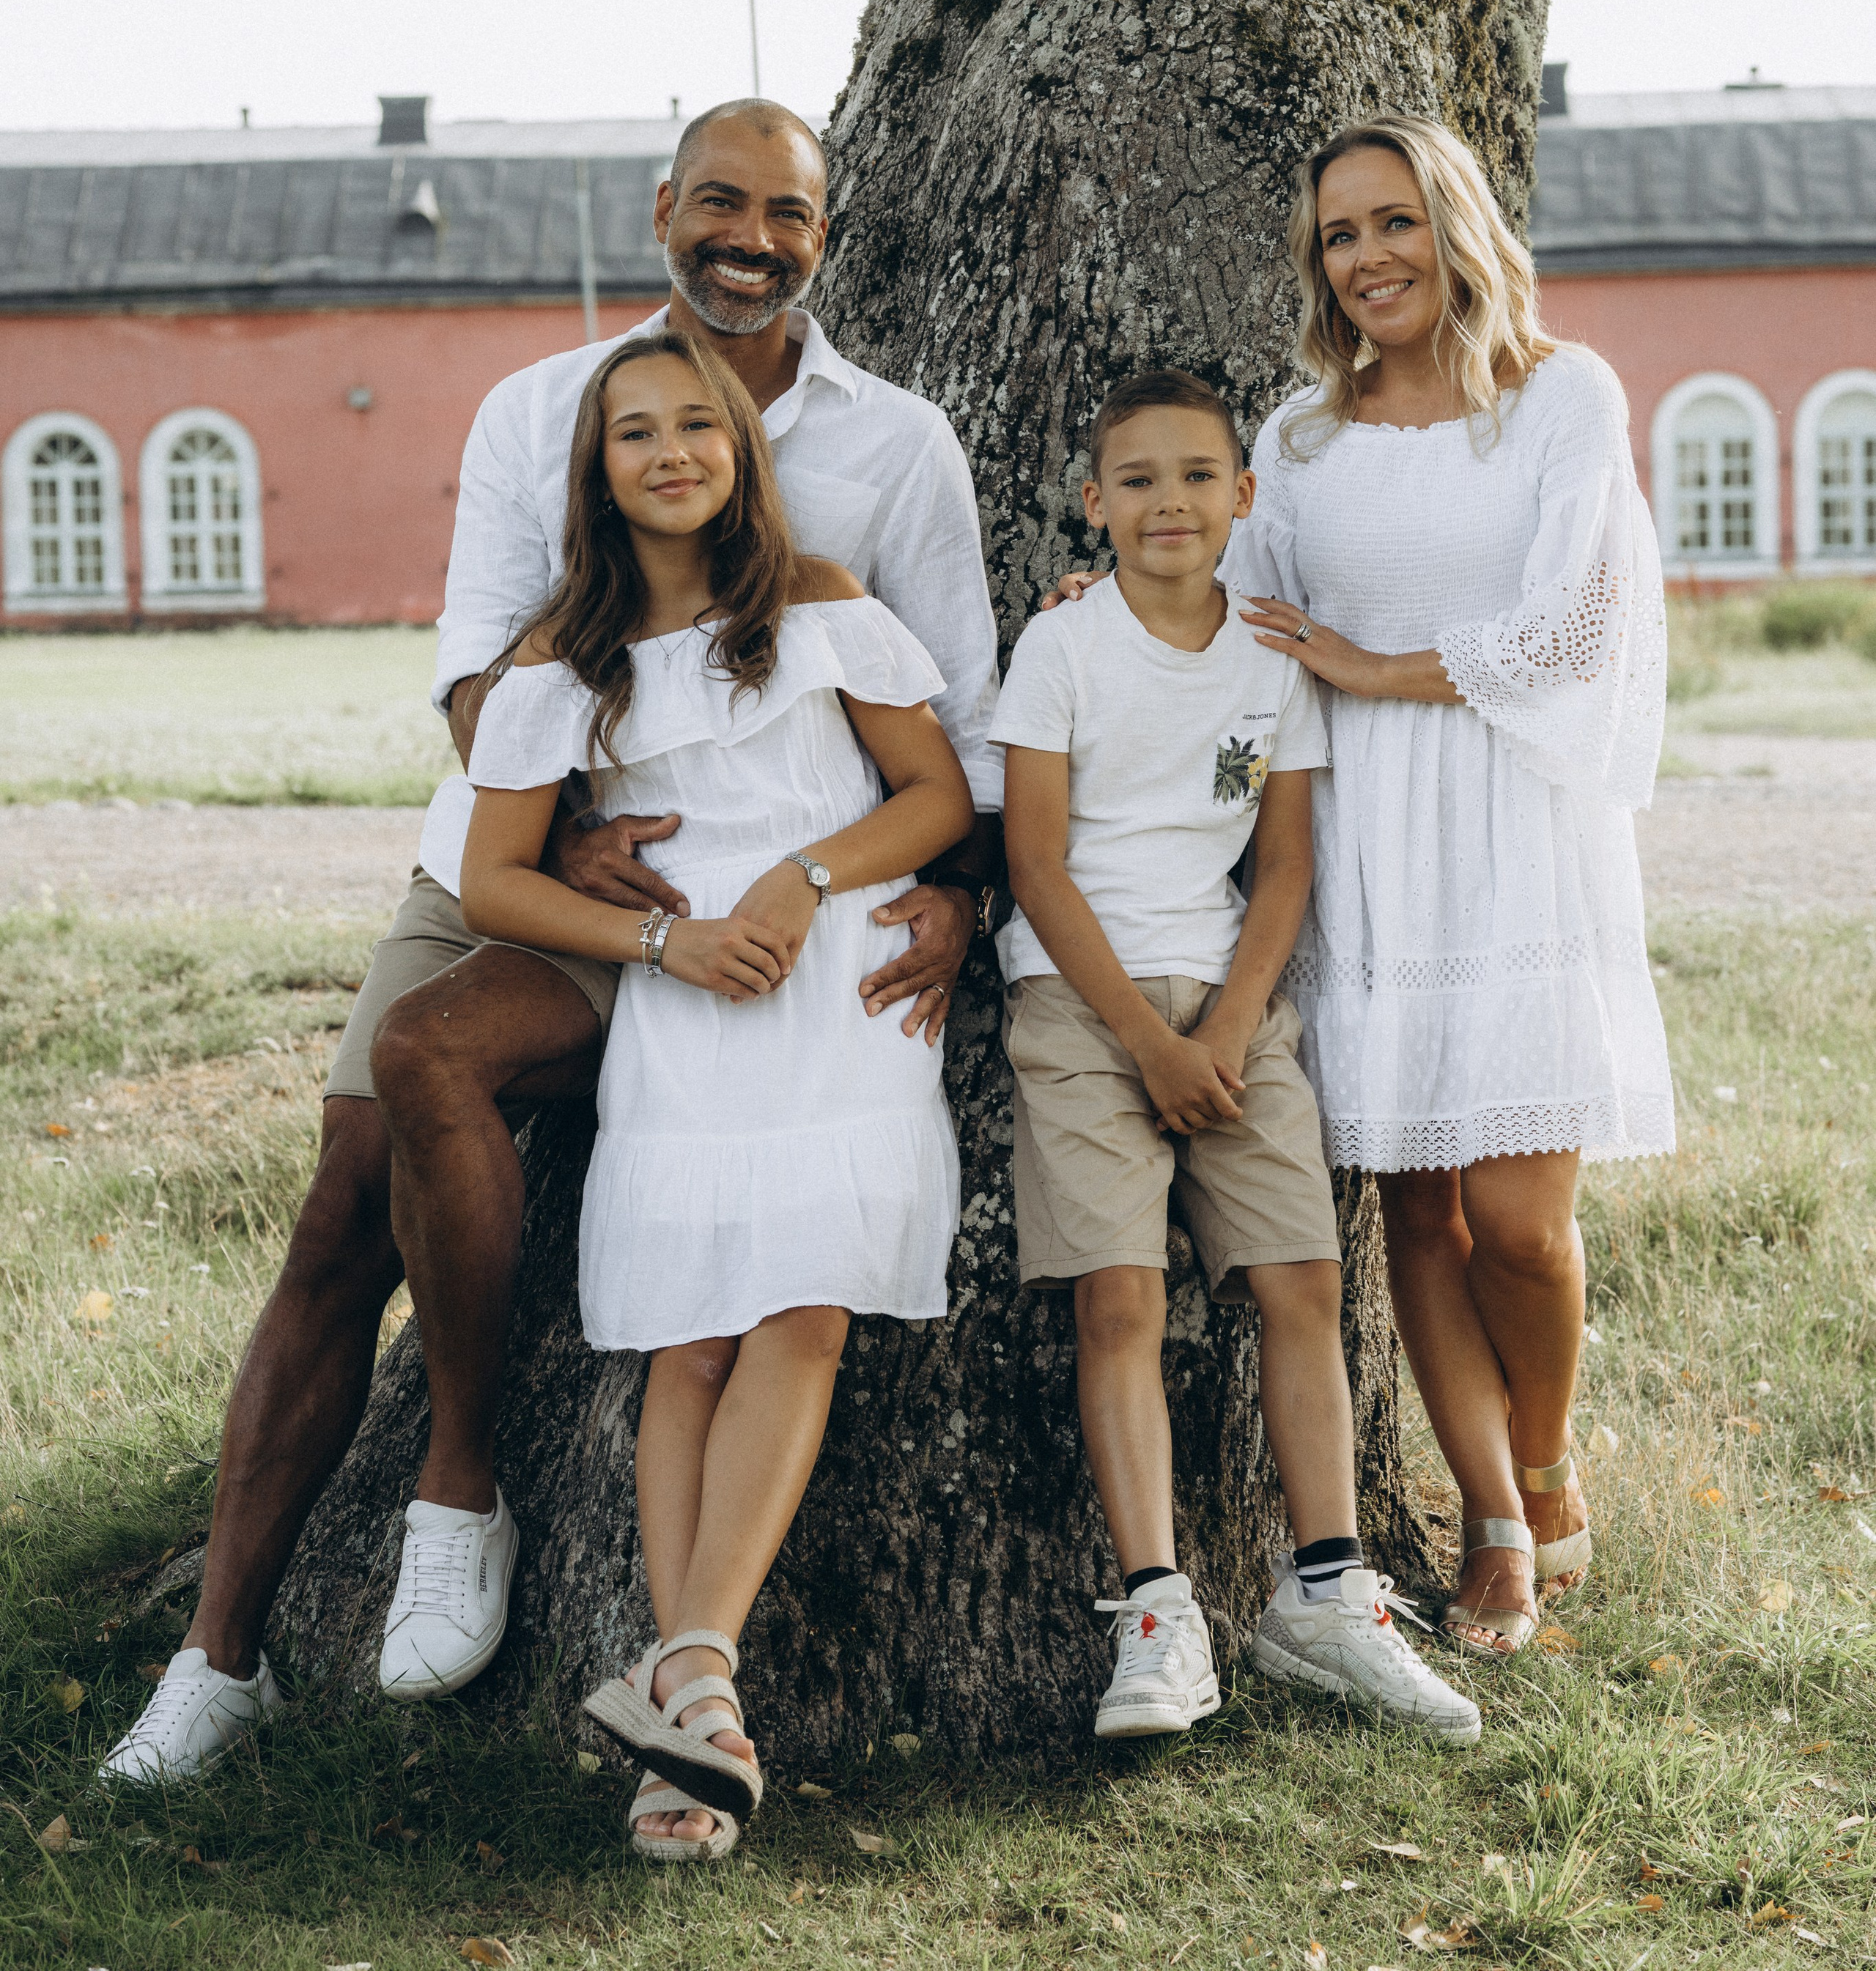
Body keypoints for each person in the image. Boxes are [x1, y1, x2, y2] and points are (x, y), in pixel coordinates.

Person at [103, 97, 1000, 1786]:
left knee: (706, 1252)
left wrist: (956, 881)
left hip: (786, 881)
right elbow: (477, 672)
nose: (747, 237)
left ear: (824, 231)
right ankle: (257, 1631)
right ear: (664, 210)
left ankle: (605, 1592)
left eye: (784, 214)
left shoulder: (896, 445)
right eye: (715, 203)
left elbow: (963, 709)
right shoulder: (541, 408)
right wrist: (566, 834)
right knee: (358, 1157)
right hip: (546, 854)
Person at [457, 327, 973, 1856]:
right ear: (598, 470)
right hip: (688, 1006)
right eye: (637, 434)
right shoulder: (562, 660)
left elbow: (935, 794)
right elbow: (492, 880)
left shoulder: (814, 603)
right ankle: (693, 1705)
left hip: (838, 989)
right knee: (686, 1342)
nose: (673, 451)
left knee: (802, 1309)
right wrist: (661, 943)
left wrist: (807, 879)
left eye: (701, 425)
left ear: (742, 452)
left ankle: (691, 1672)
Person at [1227, 112, 1672, 1656]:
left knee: (1522, 1219)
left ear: (1455, 225)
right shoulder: (1295, 439)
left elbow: (1575, 634)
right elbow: (1239, 612)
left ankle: (1548, 1468)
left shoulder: (1556, 398)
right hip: (1362, 842)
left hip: (1516, 830)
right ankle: (1492, 1524)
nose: (1367, 259)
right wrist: (1124, 598)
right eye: (1339, 235)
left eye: (1393, 222)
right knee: (1415, 1209)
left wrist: (1365, 663)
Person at [996, 369, 1480, 1747]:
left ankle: (1325, 1592)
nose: (1169, 503)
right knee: (1121, 1299)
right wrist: (1146, 1042)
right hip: (1084, 1011)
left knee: (1304, 1280)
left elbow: (1284, 870)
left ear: (1244, 497)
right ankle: (1158, 1610)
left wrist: (1218, 1028)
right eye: (1137, 480)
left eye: (1198, 477)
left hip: (1234, 1009)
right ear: (1094, 503)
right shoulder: (1065, 649)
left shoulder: (1272, 654)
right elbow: (1032, 862)